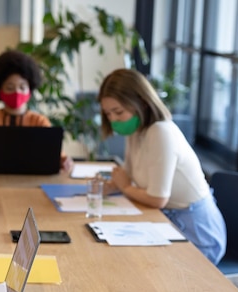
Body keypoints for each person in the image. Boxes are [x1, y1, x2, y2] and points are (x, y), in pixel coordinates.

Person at [97, 68, 226, 264]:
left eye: (118, 112)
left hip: (197, 233)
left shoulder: (161, 132)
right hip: (164, 221)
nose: (113, 120)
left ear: (141, 102)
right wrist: (112, 184)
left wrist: (123, 186)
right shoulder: (136, 131)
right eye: (108, 114)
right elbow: (129, 175)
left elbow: (157, 199)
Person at [0, 49, 73, 171]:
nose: (17, 92)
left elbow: (57, 156)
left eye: (22, 87)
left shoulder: (39, 121)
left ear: (30, 89)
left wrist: (64, 161)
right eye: (10, 87)